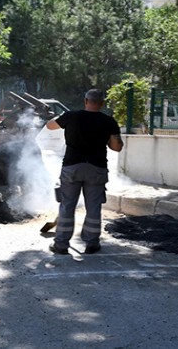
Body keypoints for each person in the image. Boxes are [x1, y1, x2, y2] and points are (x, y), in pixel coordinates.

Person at [45, 89, 123, 255]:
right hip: (96, 168)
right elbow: (117, 147)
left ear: (85, 100)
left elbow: (50, 126)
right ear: (102, 103)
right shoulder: (108, 121)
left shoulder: (71, 116)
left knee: (67, 205)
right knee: (93, 207)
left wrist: (58, 118)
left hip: (72, 167)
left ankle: (61, 245)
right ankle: (92, 243)